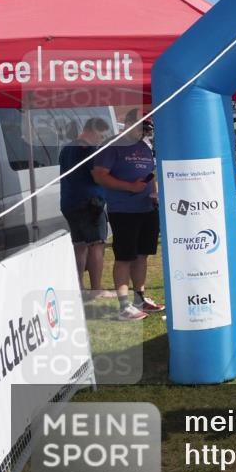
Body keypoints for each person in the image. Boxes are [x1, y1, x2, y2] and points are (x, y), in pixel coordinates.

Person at [92, 110, 164, 320]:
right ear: (129, 123)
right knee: (124, 257)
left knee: (142, 254)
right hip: (123, 210)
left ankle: (139, 298)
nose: (145, 132)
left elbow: (149, 175)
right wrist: (129, 187)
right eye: (142, 127)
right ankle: (124, 306)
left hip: (147, 208)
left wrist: (154, 194)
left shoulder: (144, 147)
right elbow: (99, 175)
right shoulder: (113, 145)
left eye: (147, 129)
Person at [60, 117, 116, 301]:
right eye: (100, 135)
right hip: (90, 203)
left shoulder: (67, 148)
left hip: (69, 202)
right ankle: (96, 289)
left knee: (80, 246)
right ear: (91, 131)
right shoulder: (90, 151)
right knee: (97, 245)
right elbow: (98, 176)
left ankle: (79, 286)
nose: (101, 139)